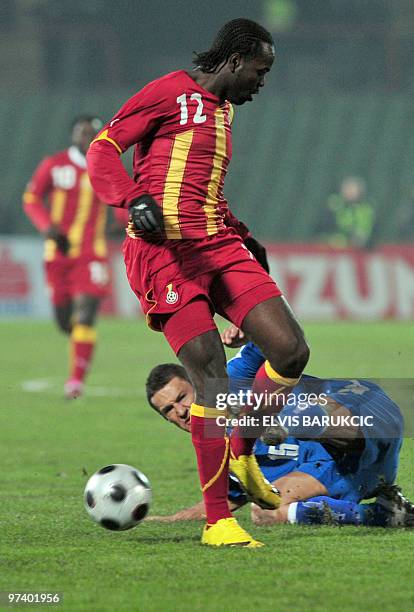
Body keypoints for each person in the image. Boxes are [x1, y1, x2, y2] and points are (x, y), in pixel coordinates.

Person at [86, 18, 310, 548]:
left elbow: (203, 188)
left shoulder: (224, 113)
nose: (262, 81)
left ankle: (243, 450)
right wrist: (131, 198)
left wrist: (244, 236)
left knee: (290, 350)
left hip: (217, 244)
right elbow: (102, 149)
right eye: (260, 70)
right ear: (234, 62)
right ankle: (218, 521)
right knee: (211, 372)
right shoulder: (169, 91)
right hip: (163, 253)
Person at [144, 352, 414, 528]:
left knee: (300, 409)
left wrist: (244, 326)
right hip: (350, 471)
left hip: (365, 414)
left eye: (182, 397)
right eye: (168, 410)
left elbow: (280, 339)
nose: (180, 411)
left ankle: (276, 422)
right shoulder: (218, 450)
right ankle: (382, 514)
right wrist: (165, 520)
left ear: (197, 383)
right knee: (265, 510)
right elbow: (221, 502)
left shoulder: (231, 376)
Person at [23, 116, 127, 399]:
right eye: (83, 133)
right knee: (63, 320)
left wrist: (121, 221)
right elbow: (31, 199)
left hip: (92, 255)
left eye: (93, 133)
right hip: (57, 255)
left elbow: (120, 198)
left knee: (85, 315)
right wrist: (47, 227)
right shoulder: (54, 165)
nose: (88, 137)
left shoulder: (105, 167)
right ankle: (78, 345)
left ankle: (75, 383)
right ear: (73, 135)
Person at [320, 176, 375, 248]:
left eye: (352, 189)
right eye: (347, 188)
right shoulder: (334, 205)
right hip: (334, 248)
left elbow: (367, 231)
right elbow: (325, 227)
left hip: (359, 250)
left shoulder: (366, 209)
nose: (349, 192)